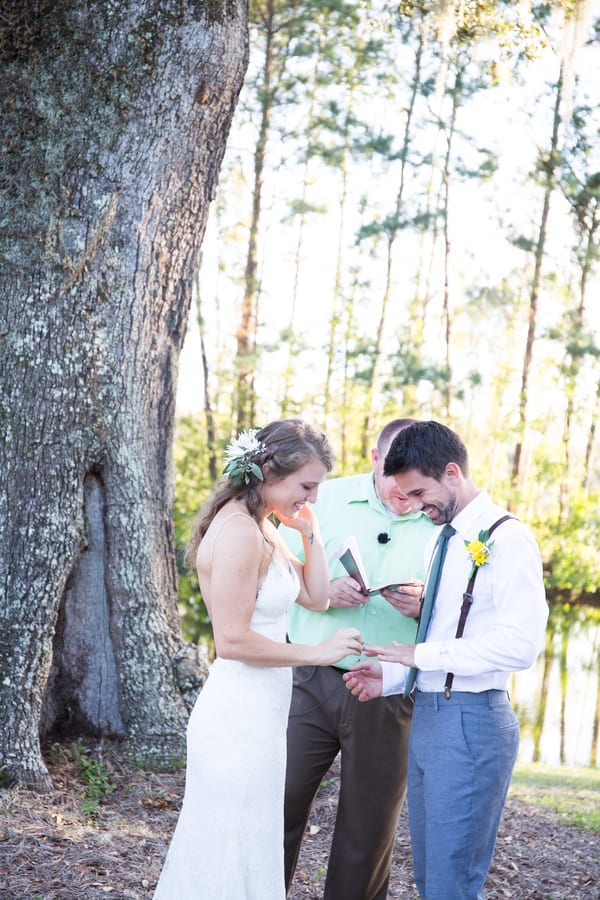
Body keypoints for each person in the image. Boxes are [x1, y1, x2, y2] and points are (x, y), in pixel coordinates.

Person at [153, 419, 364, 900]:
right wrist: (316, 652)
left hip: (263, 712)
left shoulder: (264, 527)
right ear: (269, 469)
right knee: (226, 846)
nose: (310, 496)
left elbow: (316, 597)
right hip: (237, 715)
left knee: (253, 841)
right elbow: (231, 641)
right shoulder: (239, 532)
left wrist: (310, 531)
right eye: (306, 486)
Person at [344, 421, 548, 900]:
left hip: (473, 722)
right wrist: (394, 676)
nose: (415, 506)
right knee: (431, 878)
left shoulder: (508, 538)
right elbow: (447, 632)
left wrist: (418, 654)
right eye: (407, 497)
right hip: (430, 715)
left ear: (452, 472)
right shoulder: (444, 538)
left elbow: (520, 645)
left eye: (419, 492)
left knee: (451, 884)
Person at [279, 418, 436, 900]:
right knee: (276, 807)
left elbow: (465, 611)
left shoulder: (445, 520)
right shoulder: (320, 497)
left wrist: (425, 607)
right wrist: (320, 590)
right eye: (395, 477)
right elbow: (275, 575)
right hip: (310, 679)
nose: (403, 494)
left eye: (414, 484)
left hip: (389, 692)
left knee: (368, 830)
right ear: (374, 458)